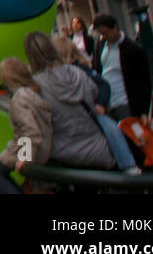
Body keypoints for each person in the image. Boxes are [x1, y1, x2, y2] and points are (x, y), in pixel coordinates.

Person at [24, 31, 114, 170]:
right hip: (98, 148)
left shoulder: (35, 87)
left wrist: (25, 157)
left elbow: (29, 127)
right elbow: (95, 92)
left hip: (63, 155)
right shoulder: (76, 72)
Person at [54, 36, 138, 172]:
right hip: (83, 114)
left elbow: (103, 84)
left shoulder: (79, 69)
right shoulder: (68, 71)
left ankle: (128, 164)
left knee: (112, 130)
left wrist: (100, 104)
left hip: (91, 111)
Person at [0, 57, 52, 194]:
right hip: (42, 145)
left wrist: (25, 158)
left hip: (25, 149)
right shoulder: (32, 92)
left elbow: (31, 131)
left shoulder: (20, 99)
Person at [91, 15, 152, 121]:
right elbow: (98, 69)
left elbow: (144, 81)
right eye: (101, 34)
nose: (104, 36)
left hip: (125, 102)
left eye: (105, 33)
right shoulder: (100, 46)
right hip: (107, 103)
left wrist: (144, 111)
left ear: (115, 27)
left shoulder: (132, 49)